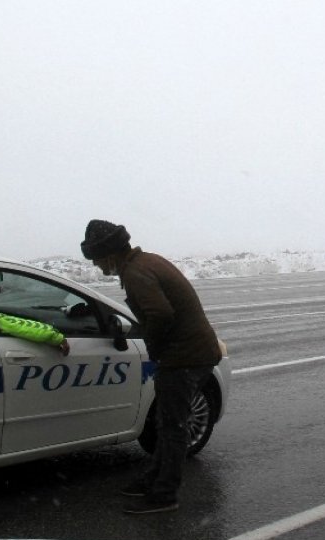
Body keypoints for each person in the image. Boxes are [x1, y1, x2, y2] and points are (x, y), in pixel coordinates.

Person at [80, 219, 222, 514]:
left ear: (108, 254)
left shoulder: (136, 272)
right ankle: (154, 478)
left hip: (185, 357)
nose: (97, 267)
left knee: (172, 426)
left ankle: (164, 495)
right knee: (167, 422)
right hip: (195, 353)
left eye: (96, 261)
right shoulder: (146, 262)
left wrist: (154, 349)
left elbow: (159, 313)